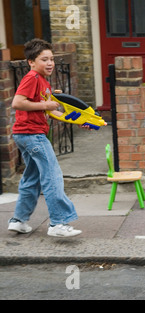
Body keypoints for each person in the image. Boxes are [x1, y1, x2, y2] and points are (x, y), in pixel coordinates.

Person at [7, 38, 82, 237]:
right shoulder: (32, 78)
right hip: (32, 135)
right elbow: (17, 102)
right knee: (52, 176)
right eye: (44, 59)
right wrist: (45, 105)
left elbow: (53, 113)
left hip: (25, 135)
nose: (50, 63)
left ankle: (18, 220)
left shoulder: (43, 83)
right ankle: (58, 223)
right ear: (31, 62)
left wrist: (79, 120)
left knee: (32, 178)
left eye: (51, 59)